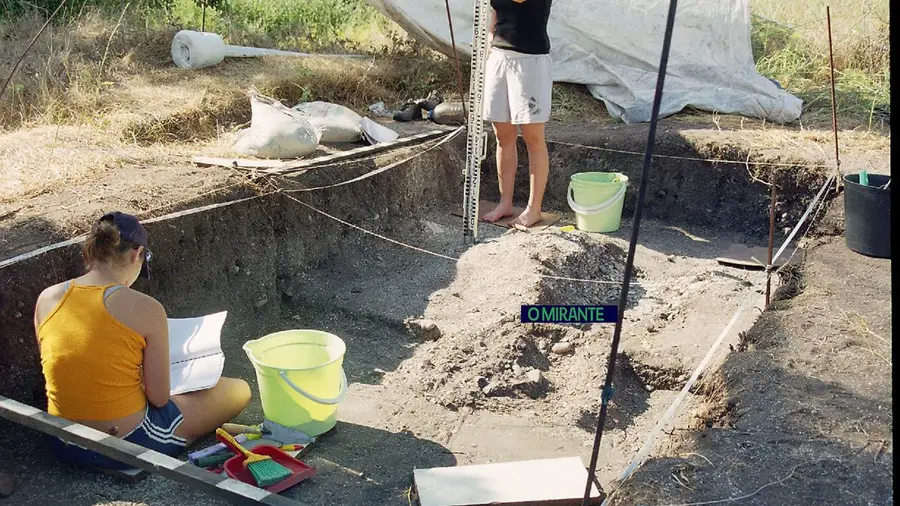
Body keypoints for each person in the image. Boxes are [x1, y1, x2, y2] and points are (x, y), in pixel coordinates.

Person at [33, 211, 251, 470]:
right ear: (136, 254)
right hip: (121, 443)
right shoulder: (145, 308)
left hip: (64, 441)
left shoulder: (48, 298)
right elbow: (159, 398)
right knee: (238, 390)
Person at [481, 0, 554, 228]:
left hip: (530, 61)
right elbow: (495, 9)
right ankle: (505, 203)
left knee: (533, 137)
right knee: (503, 135)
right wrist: (491, 38)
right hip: (500, 57)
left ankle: (534, 209)